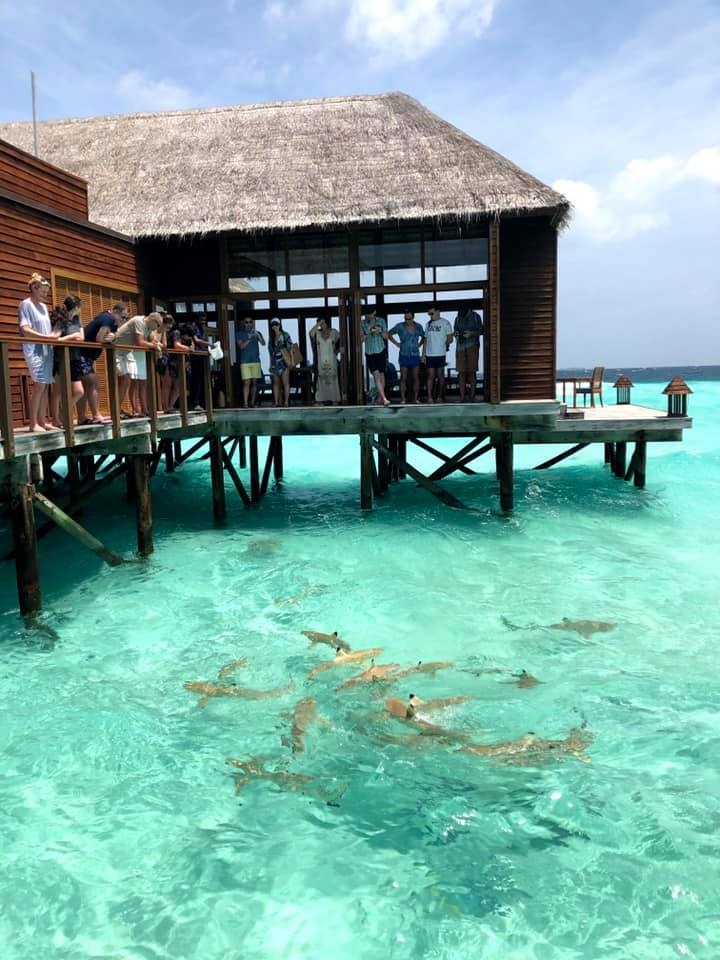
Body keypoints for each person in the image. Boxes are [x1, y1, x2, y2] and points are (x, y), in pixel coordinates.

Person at [17, 273, 59, 432]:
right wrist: (45, 337)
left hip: (47, 349)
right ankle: (33, 423)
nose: (45, 294)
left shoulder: (44, 307)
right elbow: (25, 329)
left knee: (46, 384)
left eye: (46, 291)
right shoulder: (25, 304)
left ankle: (42, 420)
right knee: (39, 384)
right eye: (43, 291)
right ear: (34, 288)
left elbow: (47, 329)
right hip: (34, 348)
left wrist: (54, 336)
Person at [76, 302, 128, 424]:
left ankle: (81, 417)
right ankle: (96, 415)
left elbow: (108, 337)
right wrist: (112, 338)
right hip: (81, 354)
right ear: (115, 311)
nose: (124, 320)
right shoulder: (109, 319)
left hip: (86, 356)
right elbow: (100, 338)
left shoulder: (112, 321)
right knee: (93, 382)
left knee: (86, 384)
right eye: (123, 317)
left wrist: (113, 337)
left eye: (126, 318)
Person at [113, 313, 162, 417]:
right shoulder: (139, 321)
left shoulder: (148, 327)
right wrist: (154, 346)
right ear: (152, 320)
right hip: (115, 351)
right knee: (126, 380)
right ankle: (116, 411)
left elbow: (152, 338)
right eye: (158, 325)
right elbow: (140, 342)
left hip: (124, 353)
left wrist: (155, 343)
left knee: (125, 380)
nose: (157, 328)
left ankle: (117, 409)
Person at [50, 298, 85, 427]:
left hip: (74, 358)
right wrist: (71, 337)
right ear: (75, 307)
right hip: (60, 358)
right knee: (58, 390)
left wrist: (73, 337)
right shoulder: (61, 321)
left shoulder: (77, 319)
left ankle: (63, 413)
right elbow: (55, 339)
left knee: (79, 391)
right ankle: (55, 419)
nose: (80, 309)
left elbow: (82, 337)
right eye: (79, 307)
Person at [388, 308, 425, 403]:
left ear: (413, 317)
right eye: (406, 318)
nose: (407, 320)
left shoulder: (418, 326)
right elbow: (389, 334)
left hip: (415, 355)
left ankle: (415, 398)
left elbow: (424, 337)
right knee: (403, 378)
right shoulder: (400, 326)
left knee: (416, 377)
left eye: (409, 318)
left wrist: (419, 345)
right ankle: (403, 399)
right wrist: (396, 343)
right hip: (403, 355)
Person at [422, 307, 453, 403]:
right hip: (429, 354)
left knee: (440, 376)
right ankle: (430, 397)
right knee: (430, 376)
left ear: (438, 312)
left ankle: (440, 396)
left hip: (440, 354)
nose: (430, 316)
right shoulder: (428, 324)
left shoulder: (446, 323)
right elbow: (425, 340)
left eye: (432, 313)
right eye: (429, 314)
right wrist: (423, 355)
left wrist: (444, 344)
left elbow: (450, 339)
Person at [309, 314, 341, 405]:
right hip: (320, 360)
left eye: (323, 323)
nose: (321, 325)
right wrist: (319, 323)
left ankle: (334, 399)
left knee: (333, 380)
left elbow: (342, 341)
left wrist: (338, 350)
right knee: (321, 381)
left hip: (332, 359)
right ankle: (320, 400)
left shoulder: (334, 332)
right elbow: (311, 333)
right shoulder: (317, 333)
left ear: (327, 323)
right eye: (320, 323)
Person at [360, 309, 390, 405]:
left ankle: (380, 398)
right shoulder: (362, 323)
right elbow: (360, 340)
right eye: (367, 314)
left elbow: (386, 336)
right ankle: (384, 398)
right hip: (370, 352)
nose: (368, 316)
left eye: (370, 313)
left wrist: (380, 331)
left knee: (382, 375)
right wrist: (368, 332)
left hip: (380, 350)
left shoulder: (381, 321)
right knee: (376, 375)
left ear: (374, 312)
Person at [454, 305, 483, 401]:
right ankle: (462, 397)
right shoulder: (458, 318)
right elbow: (455, 330)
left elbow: (481, 331)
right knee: (461, 372)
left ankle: (472, 396)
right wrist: (456, 334)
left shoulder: (476, 317)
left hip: (472, 346)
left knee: (472, 372)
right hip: (460, 347)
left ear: (469, 310)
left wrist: (471, 333)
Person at [236, 315, 265, 407]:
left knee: (254, 383)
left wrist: (257, 335)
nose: (248, 324)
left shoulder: (257, 332)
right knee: (246, 383)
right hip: (245, 362)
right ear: (244, 324)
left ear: (253, 323)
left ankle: (252, 402)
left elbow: (263, 343)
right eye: (246, 322)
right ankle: (245, 403)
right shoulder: (239, 334)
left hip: (256, 361)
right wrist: (249, 338)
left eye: (250, 322)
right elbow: (241, 346)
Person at [268, 318, 293, 407]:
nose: (274, 326)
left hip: (284, 361)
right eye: (273, 324)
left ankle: (286, 402)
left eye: (276, 324)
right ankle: (276, 402)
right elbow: (270, 353)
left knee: (285, 382)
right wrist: (271, 364)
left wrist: (291, 361)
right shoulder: (271, 338)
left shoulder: (285, 335)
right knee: (275, 383)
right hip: (275, 363)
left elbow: (290, 348)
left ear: (279, 325)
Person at [189, 314, 210, 410]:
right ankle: (194, 403)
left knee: (201, 381)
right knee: (196, 381)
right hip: (195, 358)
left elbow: (202, 341)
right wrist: (209, 344)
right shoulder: (194, 327)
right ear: (197, 319)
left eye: (204, 320)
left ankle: (202, 402)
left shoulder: (202, 328)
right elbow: (196, 340)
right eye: (201, 319)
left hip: (202, 357)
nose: (203, 322)